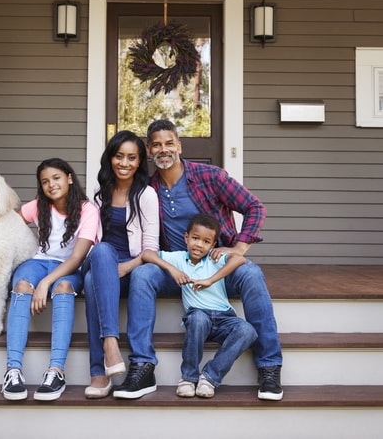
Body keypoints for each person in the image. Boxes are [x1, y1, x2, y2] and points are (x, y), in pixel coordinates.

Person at [113, 119, 283, 401]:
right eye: (157, 144)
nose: (163, 149)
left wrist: (239, 249)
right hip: (176, 269)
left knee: (251, 274)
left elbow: (255, 207)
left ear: (179, 145)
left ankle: (269, 367)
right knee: (143, 276)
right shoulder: (146, 190)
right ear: (149, 150)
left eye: (169, 143)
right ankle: (142, 365)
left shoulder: (210, 177)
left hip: (217, 266)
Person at [0, 158, 99, 401]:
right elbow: (3, 221)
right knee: (21, 285)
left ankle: (56, 370)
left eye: (57, 178)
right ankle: (13, 370)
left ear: (69, 178)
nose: (51, 185)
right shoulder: (38, 206)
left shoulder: (87, 209)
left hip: (69, 268)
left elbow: (78, 257)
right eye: (45, 181)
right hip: (37, 262)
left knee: (63, 286)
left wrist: (46, 282)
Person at [142, 213, 257, 398]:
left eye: (206, 242)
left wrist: (211, 279)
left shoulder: (215, 258)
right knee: (197, 318)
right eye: (195, 238)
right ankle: (188, 377)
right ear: (186, 237)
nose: (199, 245)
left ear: (212, 245)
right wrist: (173, 270)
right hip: (198, 316)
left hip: (224, 317)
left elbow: (240, 259)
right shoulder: (179, 259)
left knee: (248, 331)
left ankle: (210, 377)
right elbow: (147, 254)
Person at [81, 130, 159, 399]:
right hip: (103, 261)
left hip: (131, 266)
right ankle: (111, 344)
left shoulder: (147, 195)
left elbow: (151, 247)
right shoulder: (98, 191)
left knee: (92, 282)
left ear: (139, 162)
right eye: (119, 156)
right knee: (101, 251)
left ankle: (99, 372)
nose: (124, 163)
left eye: (131, 158)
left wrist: (128, 267)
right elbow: (90, 238)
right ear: (110, 158)